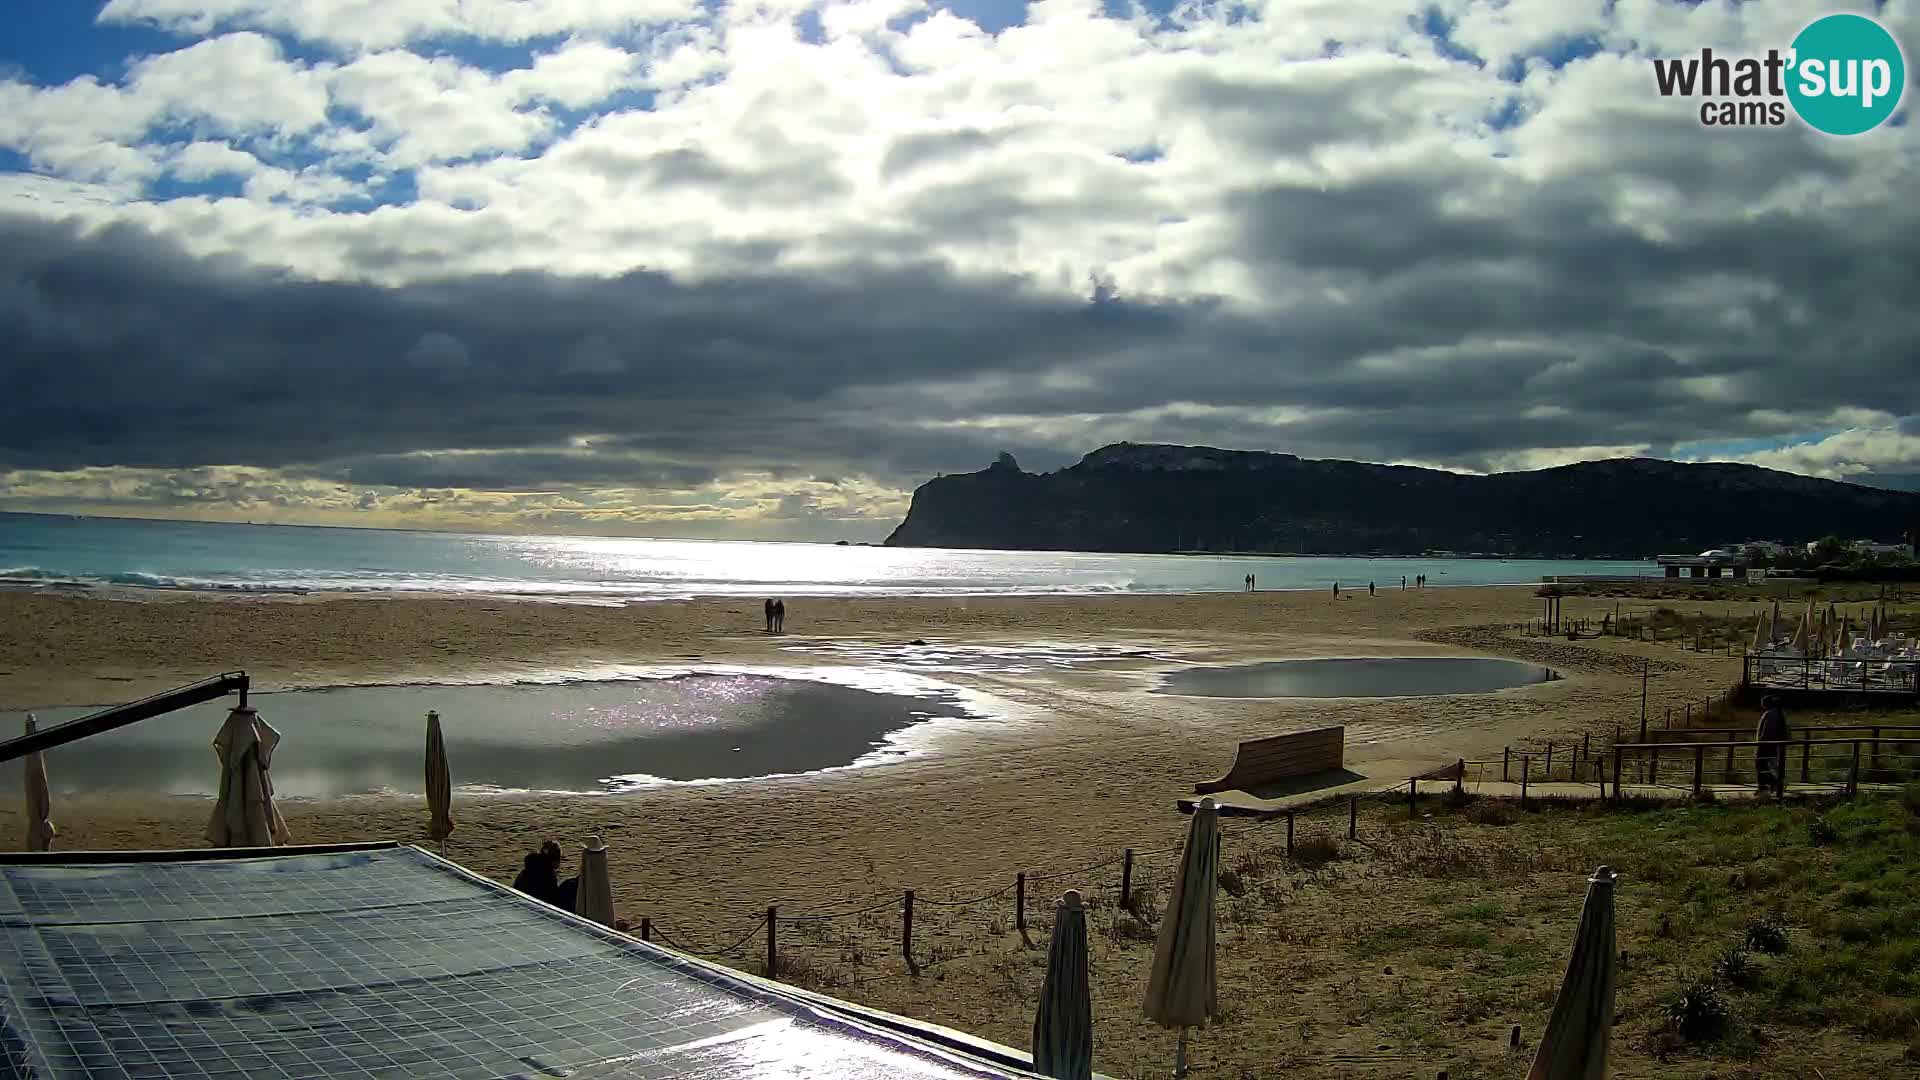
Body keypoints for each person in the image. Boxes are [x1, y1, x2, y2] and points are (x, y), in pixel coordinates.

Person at [1755, 696, 1789, 795]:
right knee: (1766, 766)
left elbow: (1767, 731)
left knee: (1760, 766)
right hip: (1772, 744)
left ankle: (1768, 785)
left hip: (1766, 744)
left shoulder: (1770, 714)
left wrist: (1761, 742)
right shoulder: (1777, 713)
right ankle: (1772, 784)